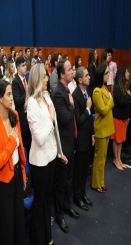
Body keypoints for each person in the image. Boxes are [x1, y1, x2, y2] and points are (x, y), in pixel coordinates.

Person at [26, 64, 67, 245]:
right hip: (40, 162)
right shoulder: (32, 105)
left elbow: (55, 130)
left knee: (47, 199)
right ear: (36, 79)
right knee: (40, 202)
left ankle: (48, 238)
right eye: (44, 76)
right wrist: (50, 118)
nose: (47, 79)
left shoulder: (47, 97)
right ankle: (39, 239)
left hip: (51, 157)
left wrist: (59, 152)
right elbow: (40, 139)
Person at [0, 80, 26, 245]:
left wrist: (23, 173)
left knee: (19, 222)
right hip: (4, 183)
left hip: (17, 175)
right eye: (9, 95)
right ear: (0, 98)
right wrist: (11, 140)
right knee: (7, 228)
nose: (12, 98)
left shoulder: (15, 115)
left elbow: (21, 149)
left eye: (12, 94)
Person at [52, 59, 79, 233]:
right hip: (63, 146)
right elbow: (65, 118)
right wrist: (71, 105)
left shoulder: (67, 89)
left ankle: (67, 205)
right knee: (61, 183)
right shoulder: (57, 93)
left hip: (71, 142)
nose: (72, 72)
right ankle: (59, 214)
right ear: (62, 74)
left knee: (69, 180)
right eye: (69, 69)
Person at [72, 67, 95, 211]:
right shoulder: (75, 96)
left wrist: (92, 134)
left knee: (85, 168)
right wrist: (87, 109)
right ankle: (77, 197)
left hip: (88, 138)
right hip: (80, 140)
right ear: (80, 80)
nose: (89, 77)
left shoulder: (88, 93)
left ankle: (83, 194)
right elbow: (79, 121)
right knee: (78, 171)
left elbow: (90, 120)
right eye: (87, 76)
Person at [92, 65, 114, 193]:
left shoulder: (104, 88)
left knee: (104, 157)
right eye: (106, 73)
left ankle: (101, 181)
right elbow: (104, 110)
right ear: (101, 75)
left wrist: (110, 100)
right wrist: (110, 101)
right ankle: (96, 184)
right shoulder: (96, 91)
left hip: (107, 128)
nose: (108, 74)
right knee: (99, 158)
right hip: (100, 129)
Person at [111, 67, 131, 170]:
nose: (128, 73)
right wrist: (128, 96)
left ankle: (119, 159)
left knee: (121, 139)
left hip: (123, 116)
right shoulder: (118, 87)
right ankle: (116, 159)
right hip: (117, 117)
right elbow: (122, 102)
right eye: (127, 72)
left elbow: (126, 104)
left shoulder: (124, 85)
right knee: (117, 139)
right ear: (122, 74)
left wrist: (128, 116)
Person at [12, 57, 32, 157]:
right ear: (18, 68)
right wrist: (27, 91)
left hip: (31, 116)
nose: (25, 68)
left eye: (25, 65)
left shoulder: (28, 79)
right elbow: (18, 101)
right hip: (23, 120)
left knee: (32, 145)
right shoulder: (15, 82)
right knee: (25, 147)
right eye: (23, 66)